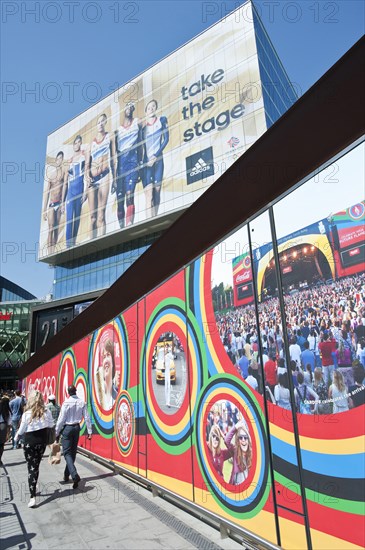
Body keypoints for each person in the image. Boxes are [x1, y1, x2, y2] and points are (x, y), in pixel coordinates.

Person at [14, 390, 54, 508]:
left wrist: (15, 438)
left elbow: (21, 430)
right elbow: (51, 425)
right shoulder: (46, 412)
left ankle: (32, 497)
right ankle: (34, 484)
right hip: (41, 443)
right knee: (36, 466)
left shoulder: (27, 414)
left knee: (31, 468)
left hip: (29, 443)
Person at [55, 385, 92, 489]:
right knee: (72, 452)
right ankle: (67, 475)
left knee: (66, 453)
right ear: (76, 391)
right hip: (77, 428)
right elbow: (87, 417)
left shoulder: (66, 403)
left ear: (68, 392)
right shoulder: (82, 402)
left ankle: (74, 475)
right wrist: (89, 431)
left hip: (67, 428)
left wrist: (56, 433)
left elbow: (61, 419)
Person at [113, 102, 142, 228]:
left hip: (132, 161)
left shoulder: (137, 122)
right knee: (120, 203)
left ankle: (129, 224)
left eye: (131, 107)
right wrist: (114, 178)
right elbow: (113, 156)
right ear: (124, 110)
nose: (129, 108)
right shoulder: (117, 131)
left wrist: (140, 164)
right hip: (121, 165)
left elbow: (141, 143)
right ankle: (121, 228)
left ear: (133, 109)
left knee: (130, 196)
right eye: (127, 106)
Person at [88, 113, 116, 239]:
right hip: (93, 180)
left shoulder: (109, 137)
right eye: (98, 122)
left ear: (106, 122)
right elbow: (86, 166)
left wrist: (115, 178)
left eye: (102, 121)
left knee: (101, 215)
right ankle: (89, 247)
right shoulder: (91, 144)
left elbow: (114, 157)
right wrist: (86, 176)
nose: (100, 124)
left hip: (105, 175)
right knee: (92, 218)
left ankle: (101, 243)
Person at [141, 99, 169, 218]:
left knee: (157, 193)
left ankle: (155, 218)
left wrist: (156, 156)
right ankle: (149, 222)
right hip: (147, 164)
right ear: (146, 112)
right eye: (149, 108)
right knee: (149, 196)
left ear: (156, 108)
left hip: (158, 161)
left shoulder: (161, 120)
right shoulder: (142, 129)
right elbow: (140, 148)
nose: (151, 109)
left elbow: (166, 139)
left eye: (153, 106)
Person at [65, 135, 89, 247]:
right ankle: (68, 245)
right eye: (75, 143)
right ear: (73, 145)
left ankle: (73, 243)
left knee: (77, 217)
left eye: (79, 142)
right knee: (69, 219)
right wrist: (62, 201)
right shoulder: (69, 161)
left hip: (80, 188)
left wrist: (86, 192)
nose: (77, 144)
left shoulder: (84, 155)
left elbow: (87, 174)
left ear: (81, 144)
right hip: (70, 191)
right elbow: (65, 182)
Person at [43, 151, 68, 254]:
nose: (59, 160)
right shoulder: (52, 175)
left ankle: (54, 250)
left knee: (56, 228)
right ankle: (50, 252)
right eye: (58, 158)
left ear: (62, 160)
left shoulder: (64, 173)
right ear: (56, 160)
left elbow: (65, 187)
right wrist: (44, 210)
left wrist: (63, 203)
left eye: (61, 158)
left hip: (59, 203)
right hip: (52, 204)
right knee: (50, 228)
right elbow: (47, 193)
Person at [225, 420, 252, 485]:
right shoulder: (235, 451)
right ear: (238, 440)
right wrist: (235, 427)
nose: (243, 440)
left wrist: (245, 429)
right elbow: (226, 440)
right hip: (237, 487)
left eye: (245, 438)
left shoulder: (252, 453)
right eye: (240, 437)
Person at [96, 338, 120, 410]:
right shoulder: (97, 391)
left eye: (108, 355)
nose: (105, 360)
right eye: (103, 357)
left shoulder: (117, 397)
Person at [0, 396, 11, 465]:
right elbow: (9, 423)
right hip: (3, 426)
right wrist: (8, 433)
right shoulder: (7, 412)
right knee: (1, 444)